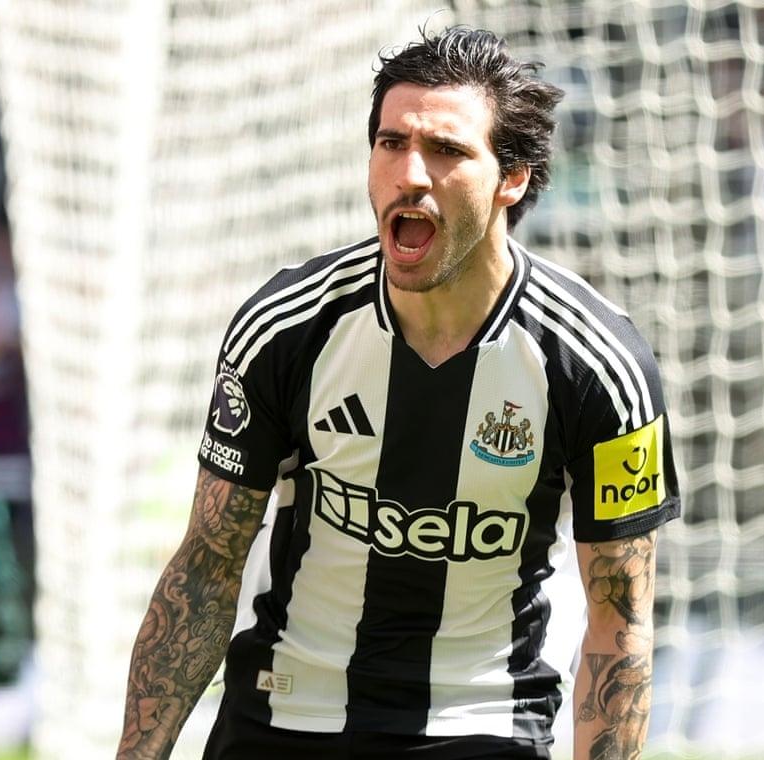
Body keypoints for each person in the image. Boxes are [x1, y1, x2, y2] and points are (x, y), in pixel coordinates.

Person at [118, 26, 680, 760]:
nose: (410, 173)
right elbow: (205, 569)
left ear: (512, 179)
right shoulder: (287, 329)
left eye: (446, 150)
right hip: (287, 712)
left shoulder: (598, 366)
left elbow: (619, 625)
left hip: (480, 724)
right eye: (391, 143)